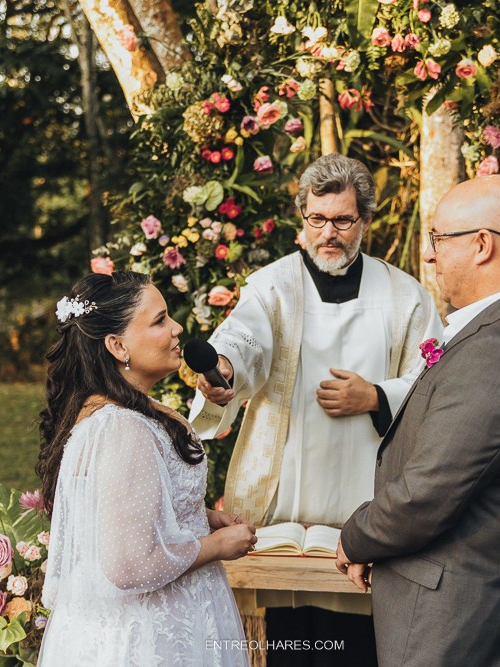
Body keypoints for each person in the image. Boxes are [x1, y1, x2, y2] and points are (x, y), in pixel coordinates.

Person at [189, 153, 444, 664]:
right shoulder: (272, 287)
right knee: (280, 640)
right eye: (317, 219)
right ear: (303, 218)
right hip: (281, 516)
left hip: (367, 512)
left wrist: (375, 396)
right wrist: (225, 372)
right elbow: (243, 340)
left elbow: (435, 382)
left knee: (354, 649)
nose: (329, 232)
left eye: (343, 220)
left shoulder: (406, 296)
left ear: (366, 221)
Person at [334, 174, 500, 667]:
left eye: (439, 239)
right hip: (470, 598)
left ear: (482, 244)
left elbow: (429, 491)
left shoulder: (497, 348)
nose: (428, 255)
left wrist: (355, 535)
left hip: (455, 614)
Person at [35, 272, 254, 666]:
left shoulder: (108, 412)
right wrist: (217, 545)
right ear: (118, 346)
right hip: (153, 637)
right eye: (160, 320)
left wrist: (198, 516)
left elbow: (121, 512)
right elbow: (128, 566)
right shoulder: (124, 430)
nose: (177, 329)